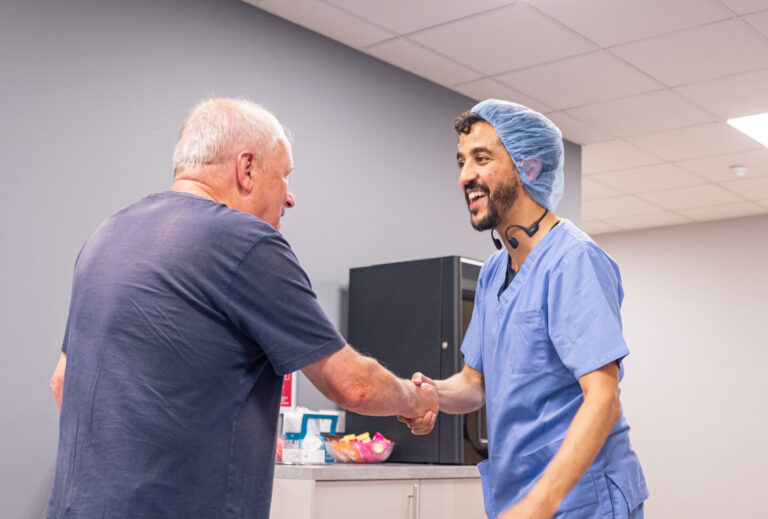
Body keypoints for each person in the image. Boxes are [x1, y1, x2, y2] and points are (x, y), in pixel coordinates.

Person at [47, 98, 438, 519]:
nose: (290, 198)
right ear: (247, 168)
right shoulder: (246, 241)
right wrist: (414, 401)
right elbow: (352, 385)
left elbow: (62, 382)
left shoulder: (106, 236)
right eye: (284, 176)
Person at [399, 99, 648, 519]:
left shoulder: (574, 261)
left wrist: (540, 503)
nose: (465, 176)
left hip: (580, 501)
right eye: (461, 161)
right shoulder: (495, 270)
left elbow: (603, 399)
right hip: (519, 496)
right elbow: (475, 384)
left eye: (481, 159)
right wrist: (432, 395)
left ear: (529, 168)